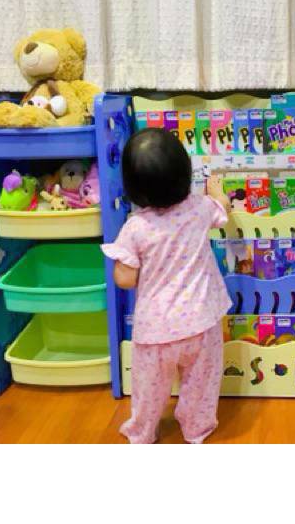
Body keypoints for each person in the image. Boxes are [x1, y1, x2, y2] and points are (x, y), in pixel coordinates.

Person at [101, 127, 232, 444]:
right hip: (201, 323)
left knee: (148, 389)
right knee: (201, 385)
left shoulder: (136, 227)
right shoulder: (200, 208)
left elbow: (125, 279)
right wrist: (216, 191)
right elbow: (224, 209)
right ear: (185, 174)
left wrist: (129, 266)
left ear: (133, 188)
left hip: (156, 331)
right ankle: (197, 428)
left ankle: (143, 432)